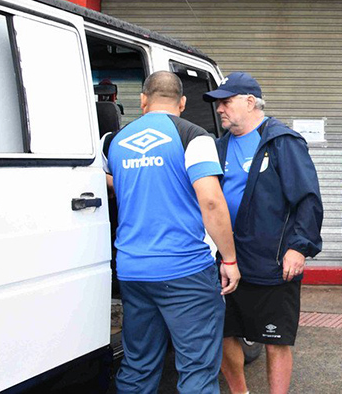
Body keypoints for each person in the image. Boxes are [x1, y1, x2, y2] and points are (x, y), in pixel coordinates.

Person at [102, 71, 240, 393]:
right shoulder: (194, 136)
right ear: (182, 102)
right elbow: (211, 201)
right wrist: (230, 259)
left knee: (138, 365)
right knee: (196, 368)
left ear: (143, 100)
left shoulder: (115, 141)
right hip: (185, 271)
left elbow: (109, 181)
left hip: (133, 271)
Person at [205, 72, 324, 394]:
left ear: (249, 101)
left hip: (273, 260)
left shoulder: (282, 141)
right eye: (218, 104)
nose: (219, 110)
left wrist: (299, 248)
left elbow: (308, 199)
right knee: (225, 332)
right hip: (228, 260)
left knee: (276, 339)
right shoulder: (218, 147)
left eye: (225, 102)